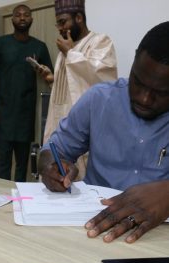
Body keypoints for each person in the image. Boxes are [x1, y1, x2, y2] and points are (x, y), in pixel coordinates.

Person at [38, 21, 169, 243]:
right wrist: (52, 168)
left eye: (161, 92)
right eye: (137, 82)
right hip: (94, 229)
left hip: (159, 238)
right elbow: (51, 151)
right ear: (134, 62)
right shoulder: (98, 100)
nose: (144, 98)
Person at [41, 0, 117, 179]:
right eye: (57, 23)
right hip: (59, 124)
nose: (60, 28)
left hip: (82, 128)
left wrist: (71, 53)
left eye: (63, 21)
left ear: (79, 18)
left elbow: (103, 81)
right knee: (55, 177)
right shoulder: (65, 50)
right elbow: (70, 88)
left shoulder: (100, 42)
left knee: (79, 183)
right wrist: (53, 80)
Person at [0, 4, 53, 182]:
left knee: (23, 165)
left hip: (25, 116)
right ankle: (2, 201)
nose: (22, 18)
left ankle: (19, 202)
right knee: (3, 165)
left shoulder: (40, 47)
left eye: (26, 15)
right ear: (12, 19)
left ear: (32, 18)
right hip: (2, 115)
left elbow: (51, 78)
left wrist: (45, 73)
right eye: (17, 15)